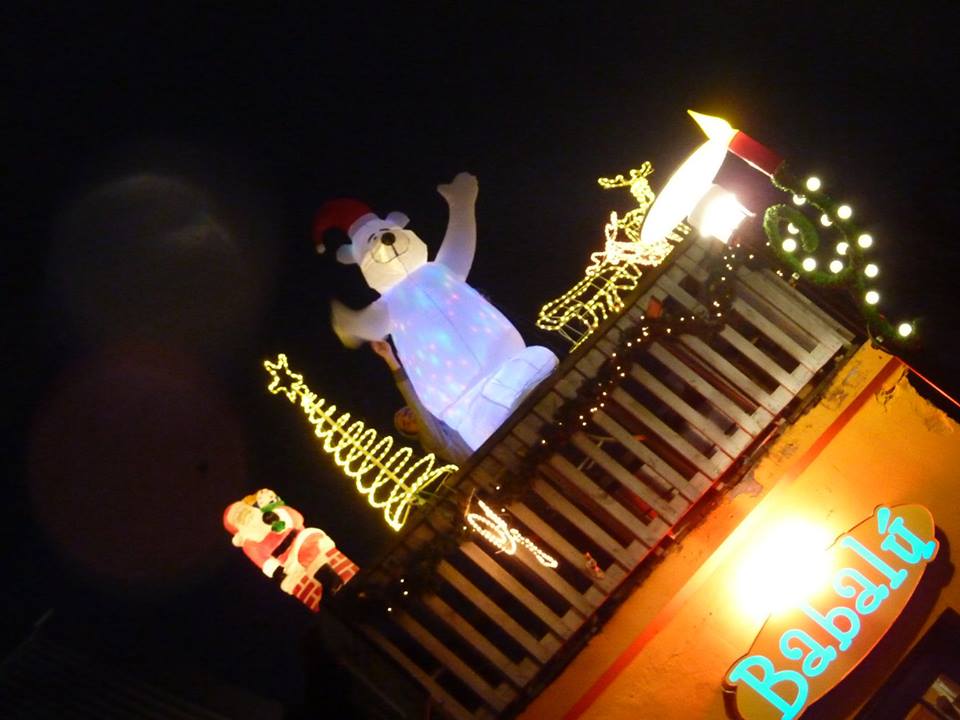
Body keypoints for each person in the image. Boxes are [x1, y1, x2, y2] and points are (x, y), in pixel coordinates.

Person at [369, 340, 473, 464]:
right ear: (412, 434)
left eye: (406, 413)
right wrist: (390, 359)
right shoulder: (431, 443)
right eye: (406, 424)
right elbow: (416, 404)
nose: (409, 418)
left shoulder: (447, 416)